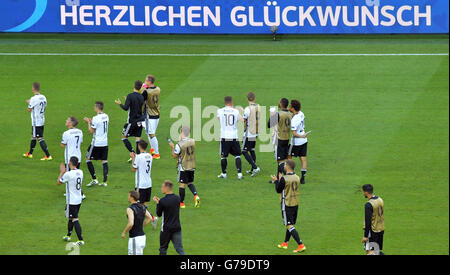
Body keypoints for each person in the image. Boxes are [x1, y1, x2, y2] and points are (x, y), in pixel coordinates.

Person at [271, 159, 306, 253]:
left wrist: (275, 181)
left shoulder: (285, 178)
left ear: (288, 166)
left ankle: (300, 244)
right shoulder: (297, 177)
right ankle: (285, 243)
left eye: (285, 164)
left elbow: (278, 190)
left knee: (289, 225)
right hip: (295, 203)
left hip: (286, 204)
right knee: (290, 224)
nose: (284, 166)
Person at [169, 126, 200, 209]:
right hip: (191, 165)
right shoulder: (192, 141)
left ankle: (182, 203)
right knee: (190, 183)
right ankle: (196, 195)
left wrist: (172, 147)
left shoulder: (179, 145)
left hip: (183, 166)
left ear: (182, 131)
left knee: (182, 185)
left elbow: (175, 155)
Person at [130, 140, 158, 229]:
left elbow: (134, 169)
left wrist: (133, 158)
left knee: (138, 205)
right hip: (148, 183)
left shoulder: (138, 157)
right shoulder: (150, 156)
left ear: (139, 146)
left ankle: (152, 218)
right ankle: (152, 218)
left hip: (140, 185)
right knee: (144, 204)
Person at [115, 80, 145, 162]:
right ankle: (138, 158)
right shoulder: (141, 97)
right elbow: (136, 106)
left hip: (131, 122)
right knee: (138, 139)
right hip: (140, 121)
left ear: (134, 85)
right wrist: (128, 100)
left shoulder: (130, 96)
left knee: (124, 137)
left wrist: (120, 103)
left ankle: (133, 153)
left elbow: (125, 108)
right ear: (140, 87)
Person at [153, 180, 185, 255]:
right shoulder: (177, 198)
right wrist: (160, 203)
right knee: (179, 249)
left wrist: (158, 204)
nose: (161, 188)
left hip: (166, 229)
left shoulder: (163, 201)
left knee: (163, 249)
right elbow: (170, 204)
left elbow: (159, 214)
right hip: (177, 227)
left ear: (167, 188)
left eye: (162, 187)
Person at [58, 156, 84, 246]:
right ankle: (68, 235)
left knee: (74, 218)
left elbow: (59, 182)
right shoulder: (80, 172)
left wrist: (62, 172)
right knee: (70, 217)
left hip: (71, 200)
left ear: (70, 163)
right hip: (78, 199)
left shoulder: (68, 174)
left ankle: (80, 240)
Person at [23, 82, 52, 160]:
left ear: (33, 88)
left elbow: (29, 110)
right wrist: (31, 103)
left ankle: (48, 155)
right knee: (33, 136)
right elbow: (40, 105)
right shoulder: (43, 97)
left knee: (39, 138)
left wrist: (29, 103)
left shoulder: (33, 99)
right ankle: (30, 153)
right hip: (42, 119)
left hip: (36, 121)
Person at [217, 96, 244, 180]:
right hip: (234, 136)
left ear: (225, 102)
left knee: (223, 156)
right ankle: (239, 174)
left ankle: (224, 173)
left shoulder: (220, 111)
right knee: (237, 155)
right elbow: (242, 120)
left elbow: (219, 119)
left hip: (224, 136)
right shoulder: (235, 111)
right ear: (231, 102)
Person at [84, 101, 109, 187]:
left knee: (88, 158)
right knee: (104, 161)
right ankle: (105, 182)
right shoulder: (106, 116)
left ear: (97, 107)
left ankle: (94, 179)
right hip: (105, 143)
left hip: (96, 143)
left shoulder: (95, 118)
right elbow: (99, 125)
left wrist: (88, 122)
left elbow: (91, 131)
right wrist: (92, 121)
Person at [121, 190, 153, 255]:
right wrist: (142, 225)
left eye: (128, 196)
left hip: (135, 239)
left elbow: (131, 223)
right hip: (142, 238)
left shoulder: (130, 209)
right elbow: (150, 218)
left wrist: (124, 232)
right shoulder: (142, 207)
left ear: (132, 198)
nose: (128, 197)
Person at [268, 98, 292, 182]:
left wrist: (272, 115)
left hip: (279, 139)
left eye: (279, 102)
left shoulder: (278, 114)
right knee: (281, 160)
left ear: (281, 104)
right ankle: (278, 179)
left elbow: (269, 124)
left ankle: (289, 176)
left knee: (280, 161)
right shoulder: (290, 114)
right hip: (287, 138)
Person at [288, 100, 310, 184]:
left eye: (290, 106)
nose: (289, 107)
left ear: (293, 108)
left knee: (289, 157)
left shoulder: (294, 120)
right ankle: (303, 178)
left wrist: (301, 136)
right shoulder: (301, 113)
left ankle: (290, 174)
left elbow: (293, 133)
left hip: (296, 142)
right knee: (303, 158)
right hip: (304, 140)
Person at [141, 75, 161, 159]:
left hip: (149, 115)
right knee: (150, 133)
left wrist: (143, 88)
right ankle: (152, 150)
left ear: (149, 82)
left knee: (151, 134)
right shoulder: (158, 89)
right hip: (157, 113)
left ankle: (156, 153)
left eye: (146, 80)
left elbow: (141, 98)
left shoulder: (147, 92)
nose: (145, 82)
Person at [362, 184, 385, 255]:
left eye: (363, 191)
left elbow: (368, 222)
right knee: (376, 251)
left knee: (370, 252)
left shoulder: (368, 205)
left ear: (366, 192)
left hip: (372, 232)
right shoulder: (380, 200)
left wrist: (365, 236)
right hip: (381, 229)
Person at [242, 92, 261, 177]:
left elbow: (244, 119)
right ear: (254, 98)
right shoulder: (259, 106)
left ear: (247, 99)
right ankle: (253, 170)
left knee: (244, 150)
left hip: (249, 132)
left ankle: (255, 167)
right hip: (256, 131)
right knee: (252, 149)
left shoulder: (247, 108)